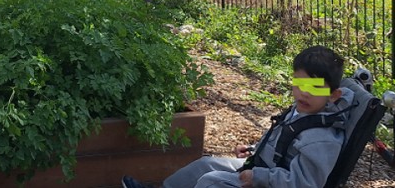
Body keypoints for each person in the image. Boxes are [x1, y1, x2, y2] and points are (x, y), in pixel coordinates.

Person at [122, 45, 353, 188]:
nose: (304, 92)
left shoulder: (323, 139)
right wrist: (254, 149)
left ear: (333, 96)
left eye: (314, 87)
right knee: (205, 164)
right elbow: (280, 142)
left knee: (210, 182)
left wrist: (259, 177)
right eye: (300, 84)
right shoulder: (302, 110)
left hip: (268, 180)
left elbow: (306, 183)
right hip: (261, 167)